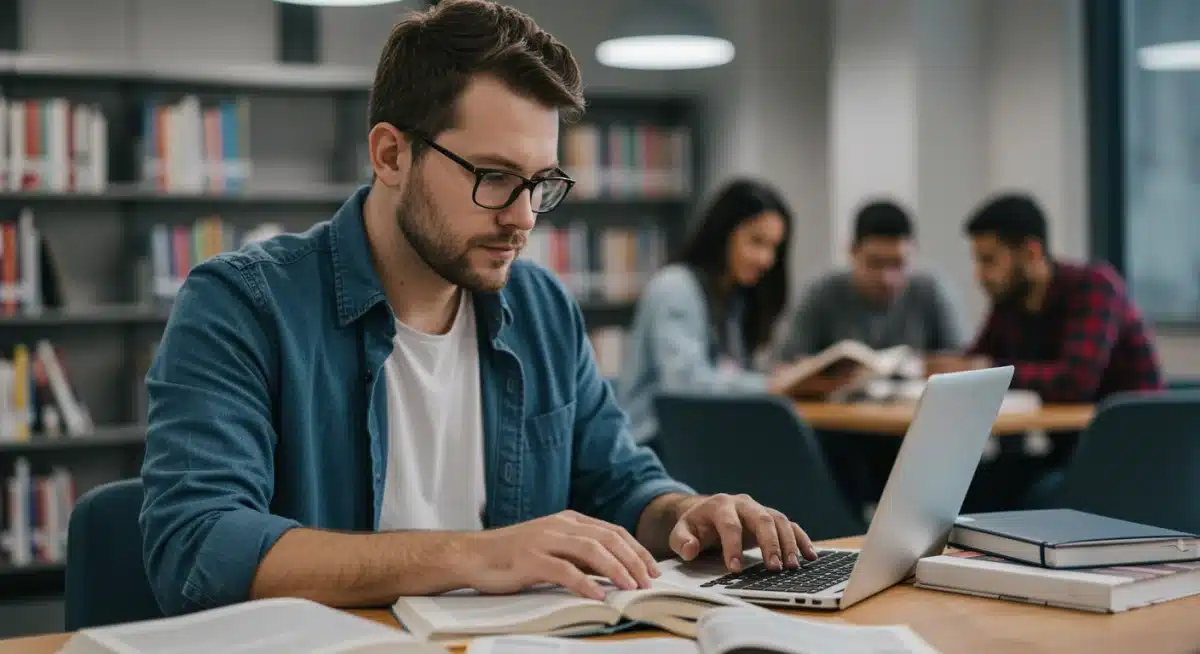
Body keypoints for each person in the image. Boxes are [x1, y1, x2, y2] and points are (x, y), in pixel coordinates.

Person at [138, 0, 817, 618]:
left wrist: (688, 512)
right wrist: (475, 555)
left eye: (540, 184)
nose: (523, 219)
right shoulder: (241, 306)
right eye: (493, 178)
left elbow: (618, 481)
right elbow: (197, 547)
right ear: (390, 154)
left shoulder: (542, 305)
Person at [926, 193, 1164, 403]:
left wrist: (983, 370)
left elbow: (1074, 382)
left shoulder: (1094, 287)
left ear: (1031, 252)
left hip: (1130, 441)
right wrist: (948, 368)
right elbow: (977, 360)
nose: (979, 276)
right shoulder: (1009, 301)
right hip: (1071, 440)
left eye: (989, 260)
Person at [615, 178, 793, 446]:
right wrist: (770, 385)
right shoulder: (675, 287)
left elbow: (726, 373)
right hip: (652, 443)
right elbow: (685, 384)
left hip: (703, 438)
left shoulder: (735, 298)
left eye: (774, 248)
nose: (766, 260)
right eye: (756, 242)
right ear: (724, 232)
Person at [779, 199, 964, 362]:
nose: (887, 278)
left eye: (898, 264)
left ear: (914, 253)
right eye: (875, 263)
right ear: (852, 251)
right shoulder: (820, 291)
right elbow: (788, 363)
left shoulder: (932, 288)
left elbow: (963, 361)